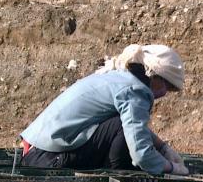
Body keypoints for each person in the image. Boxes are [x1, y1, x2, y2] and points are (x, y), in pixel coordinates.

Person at [19, 44, 189, 175]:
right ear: (154, 76)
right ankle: (118, 180)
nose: (165, 93)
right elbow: (141, 154)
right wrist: (172, 168)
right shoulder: (135, 91)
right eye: (166, 85)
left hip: (37, 152)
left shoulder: (120, 79)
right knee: (123, 134)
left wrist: (163, 148)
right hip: (47, 159)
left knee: (122, 128)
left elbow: (135, 127)